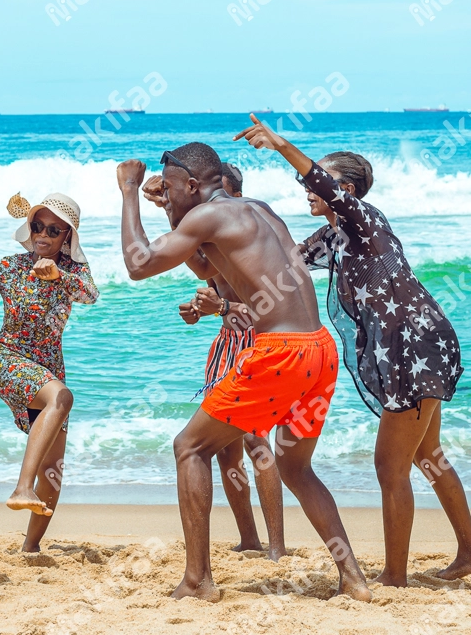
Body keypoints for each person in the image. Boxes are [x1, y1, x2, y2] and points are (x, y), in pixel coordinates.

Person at [234, 114, 471, 586]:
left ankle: (394, 576)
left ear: (345, 189)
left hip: (414, 346)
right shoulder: (333, 236)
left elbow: (315, 180)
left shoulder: (362, 218)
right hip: (414, 345)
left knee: (389, 467)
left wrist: (279, 143)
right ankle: (470, 554)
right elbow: (279, 266)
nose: (304, 187)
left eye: (316, 181)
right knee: (427, 454)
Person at [117, 143, 371, 603]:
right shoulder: (257, 210)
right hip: (319, 349)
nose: (167, 195)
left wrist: (130, 190)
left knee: (190, 447)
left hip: (280, 351)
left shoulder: (208, 217)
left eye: (172, 188)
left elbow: (138, 264)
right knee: (297, 468)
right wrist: (172, 209)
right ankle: (352, 578)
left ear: (194, 185)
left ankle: (197, 580)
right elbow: (213, 266)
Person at [142, 163, 286, 561]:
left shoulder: (248, 232)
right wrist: (206, 309)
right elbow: (209, 274)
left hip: (258, 342)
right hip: (226, 342)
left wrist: (223, 305)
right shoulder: (213, 234)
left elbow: (271, 306)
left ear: (231, 194)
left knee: (257, 441)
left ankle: (276, 547)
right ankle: (250, 540)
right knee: (226, 449)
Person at [0, 192, 98, 552]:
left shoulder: (74, 272)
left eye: (54, 230)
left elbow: (91, 295)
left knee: (54, 467)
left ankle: (31, 547)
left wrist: (59, 276)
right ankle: (21, 487)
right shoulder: (10, 267)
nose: (43, 234)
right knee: (62, 397)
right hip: (9, 361)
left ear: (67, 237)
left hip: (49, 369)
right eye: (38, 226)